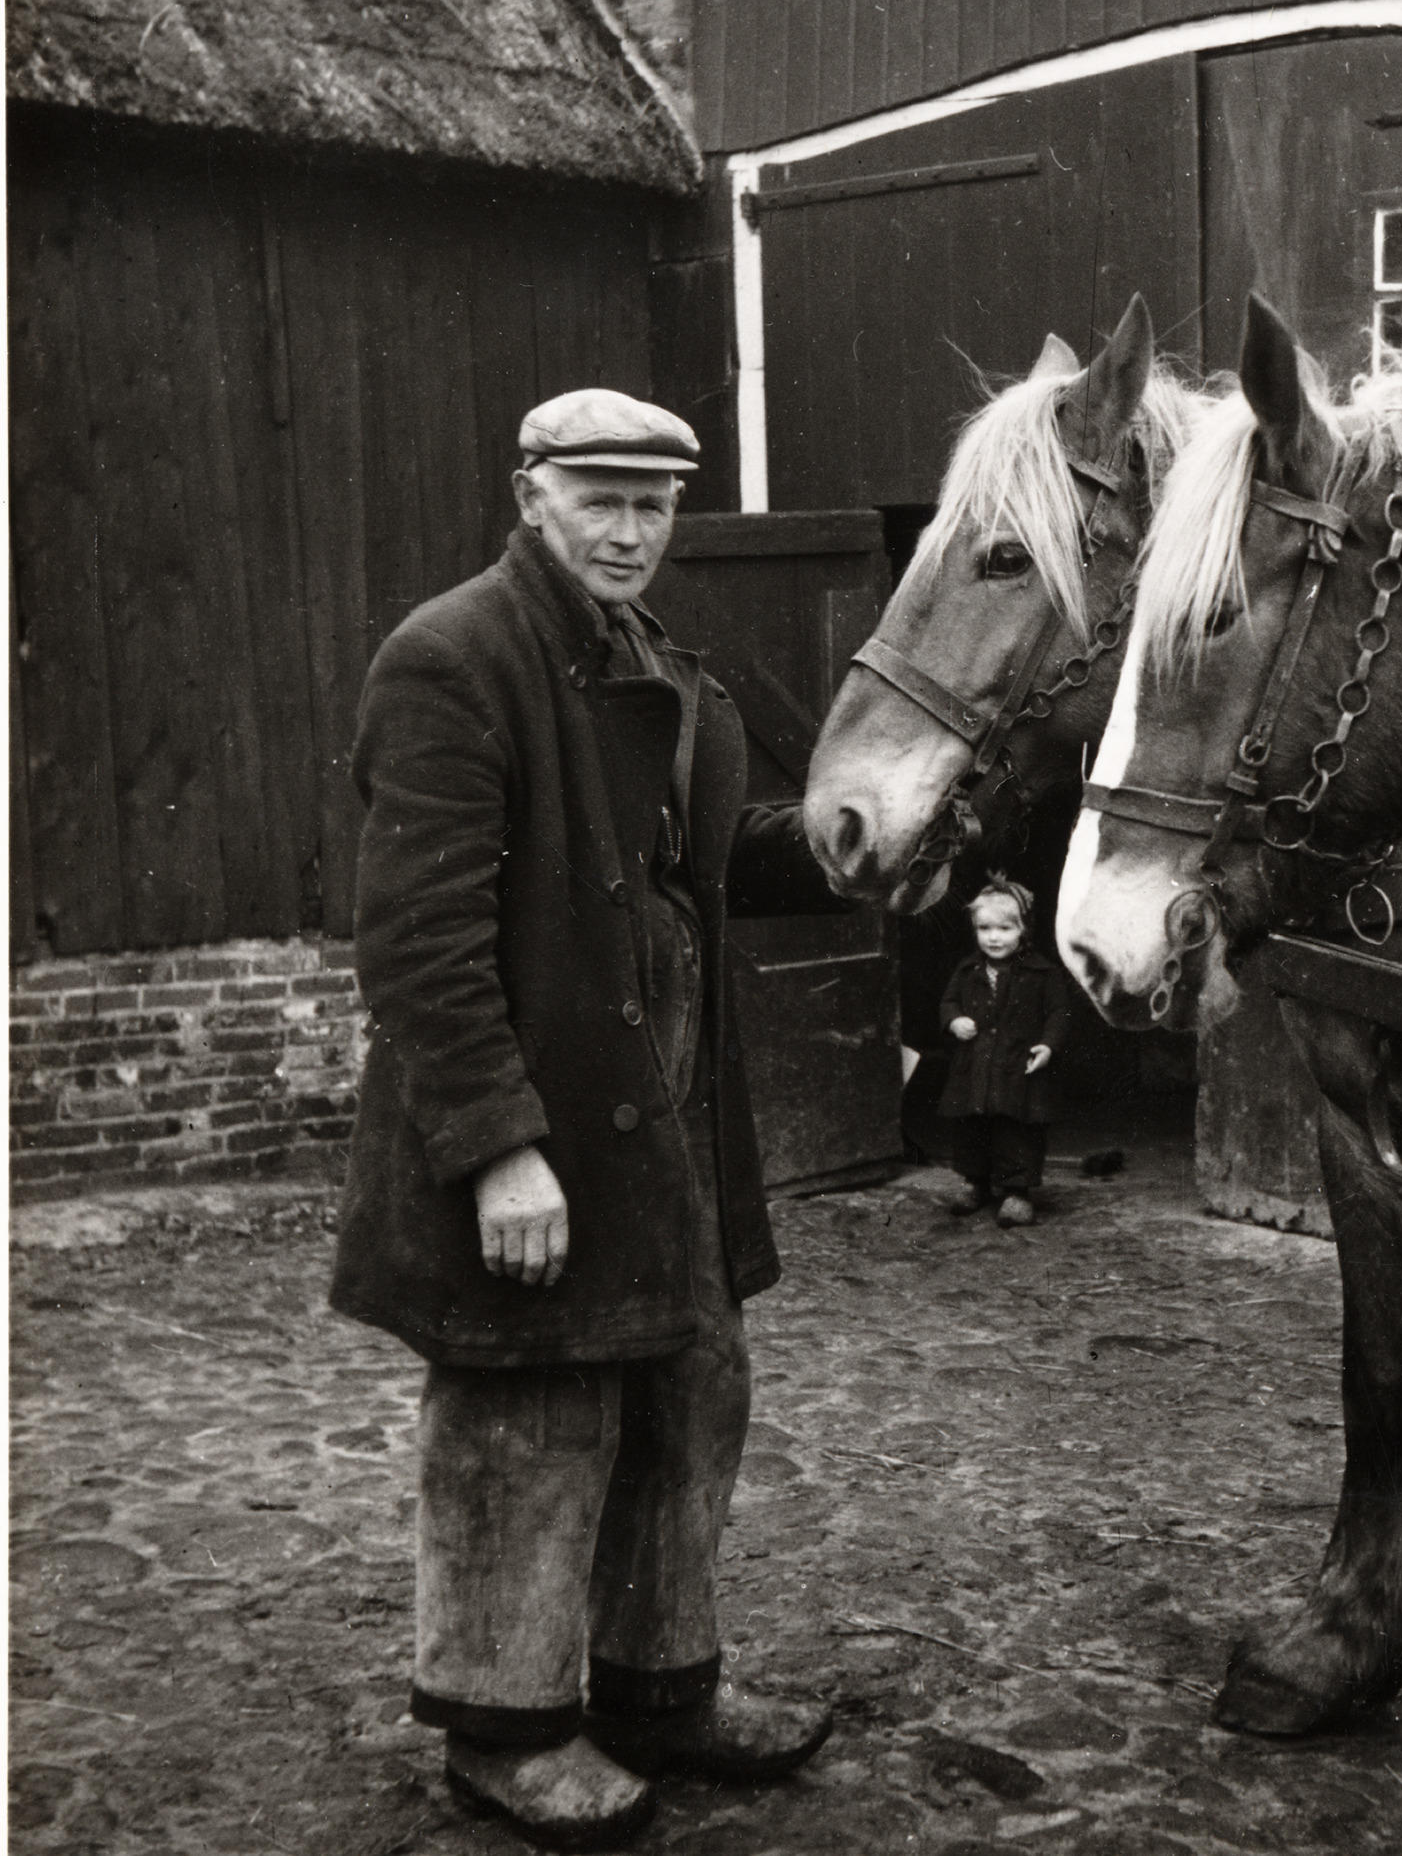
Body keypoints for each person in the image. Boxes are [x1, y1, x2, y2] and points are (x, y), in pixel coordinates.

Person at [331, 389, 840, 1849]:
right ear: (531, 493)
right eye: (600, 497)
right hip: (536, 1124)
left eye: (655, 502)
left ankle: (659, 1688)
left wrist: (843, 843)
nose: (630, 529)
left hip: (660, 1121)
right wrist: (498, 1148)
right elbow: (417, 942)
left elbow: (696, 856)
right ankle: (508, 1728)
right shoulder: (454, 657)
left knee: (689, 1397)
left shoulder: (652, 657)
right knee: (529, 1414)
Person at [937, 880, 1071, 1226]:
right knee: (972, 1126)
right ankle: (975, 1182)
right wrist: (955, 1020)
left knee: (1017, 1128)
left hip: (1018, 1067)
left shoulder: (1042, 973)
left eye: (1004, 928)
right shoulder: (968, 970)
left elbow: (1059, 1012)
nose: (993, 937)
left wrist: (1048, 1045)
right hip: (976, 1066)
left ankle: (1016, 1192)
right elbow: (948, 1001)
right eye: (984, 929)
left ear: (1023, 930)